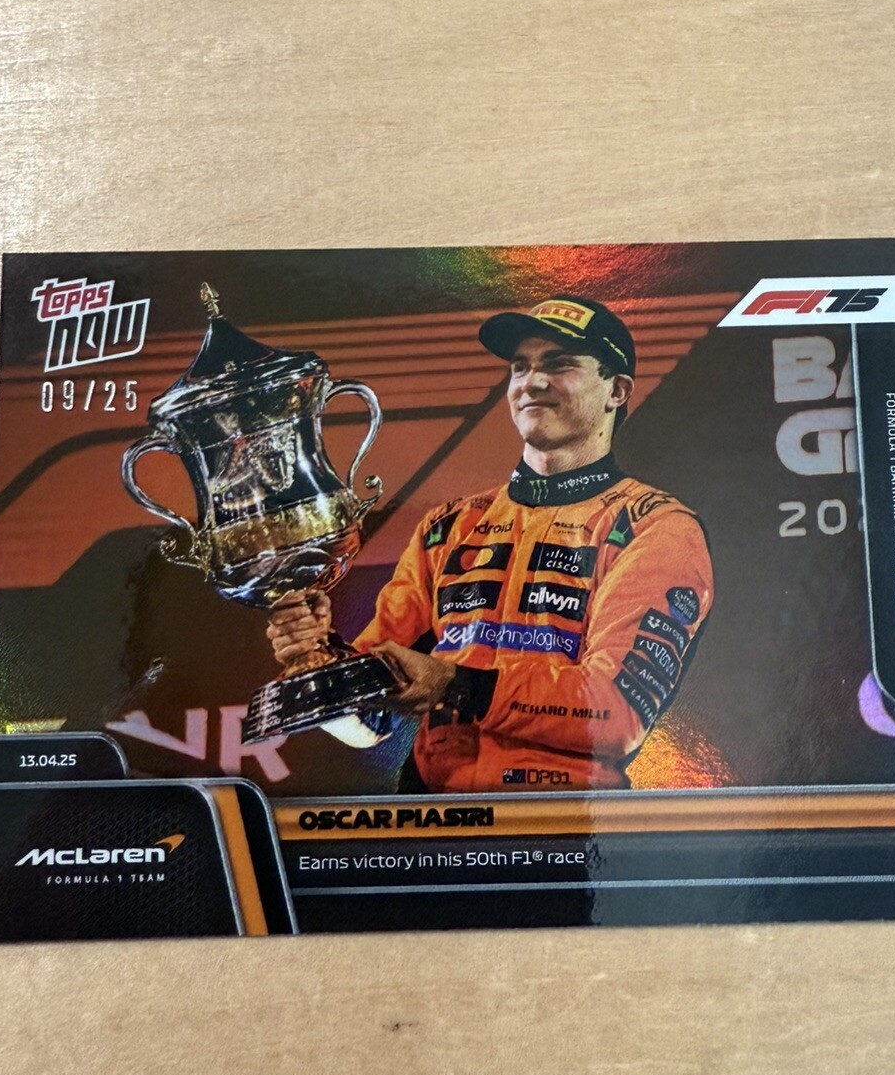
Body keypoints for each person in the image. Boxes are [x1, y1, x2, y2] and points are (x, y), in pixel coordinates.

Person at [268, 296, 714, 791]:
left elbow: (614, 715)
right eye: (521, 366)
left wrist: (457, 685)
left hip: (564, 821)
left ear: (617, 390)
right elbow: (368, 724)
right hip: (434, 816)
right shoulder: (449, 525)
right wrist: (318, 662)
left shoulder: (654, 526)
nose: (532, 382)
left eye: (559, 364)